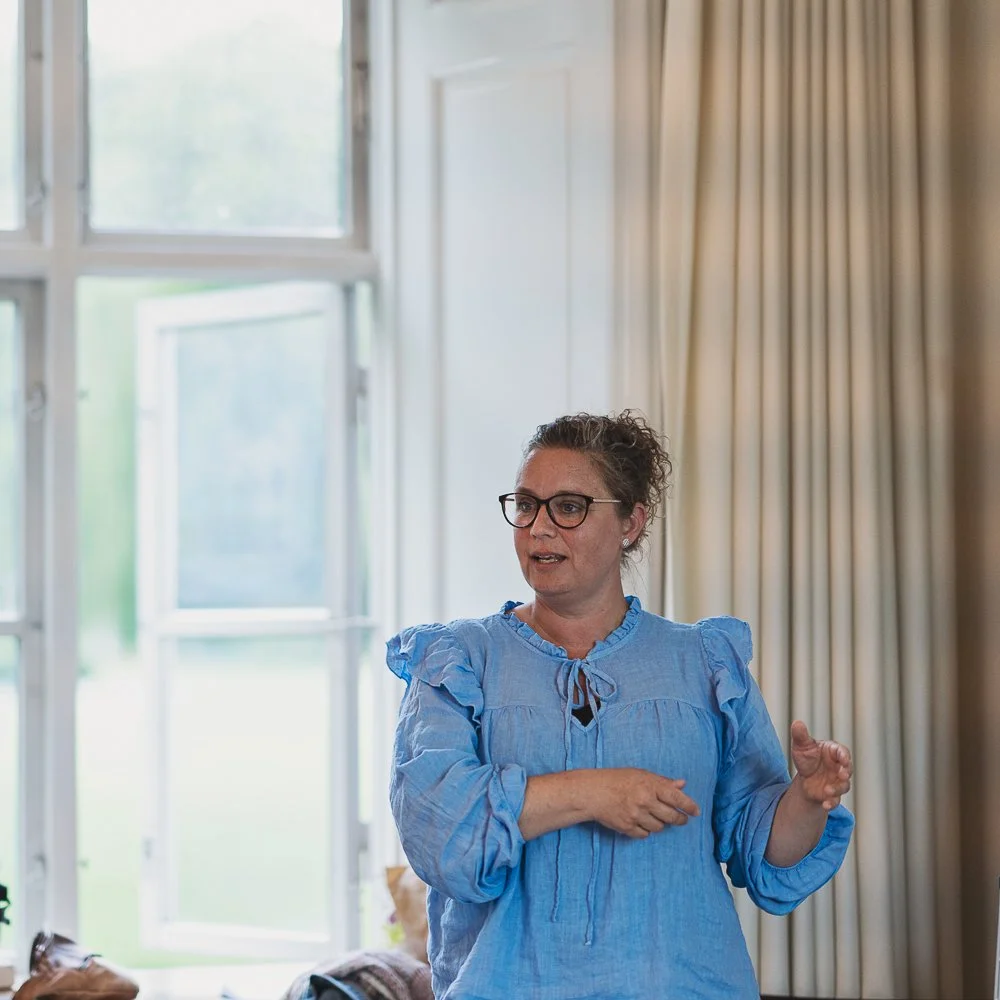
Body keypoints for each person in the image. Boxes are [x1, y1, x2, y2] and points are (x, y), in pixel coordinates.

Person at [387, 411, 854, 1000]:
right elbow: (441, 833)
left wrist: (807, 799)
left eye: (569, 507)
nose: (539, 528)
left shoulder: (704, 662)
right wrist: (593, 792)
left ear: (631, 522)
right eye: (526, 505)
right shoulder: (457, 661)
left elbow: (764, 856)